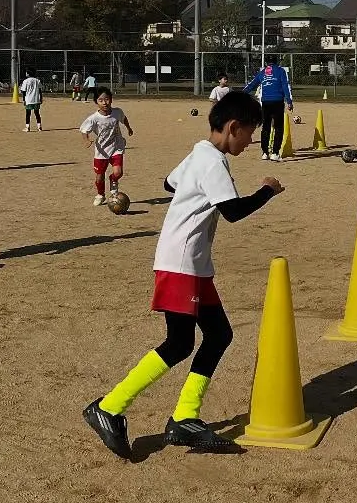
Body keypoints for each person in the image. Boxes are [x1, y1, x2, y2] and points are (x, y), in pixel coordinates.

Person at [83, 91, 283, 457]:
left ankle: (185, 418)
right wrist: (267, 191)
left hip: (193, 264)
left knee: (219, 335)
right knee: (179, 343)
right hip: (180, 263)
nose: (250, 140)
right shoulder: (213, 163)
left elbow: (169, 183)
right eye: (250, 132)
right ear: (233, 127)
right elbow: (233, 212)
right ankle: (109, 407)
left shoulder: (199, 153)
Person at [80, 88, 134, 206]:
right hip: (102, 150)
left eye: (107, 99)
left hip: (117, 147)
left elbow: (124, 119)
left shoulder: (117, 112)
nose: (104, 103)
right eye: (101, 100)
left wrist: (129, 128)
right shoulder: (93, 118)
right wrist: (86, 140)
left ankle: (113, 179)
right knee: (99, 177)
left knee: (118, 172)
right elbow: (84, 130)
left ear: (111, 100)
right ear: (96, 102)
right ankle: (100, 195)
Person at [243, 55, 294, 161]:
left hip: (266, 102)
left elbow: (252, 84)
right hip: (278, 101)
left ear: (266, 63)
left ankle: (265, 152)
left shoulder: (263, 72)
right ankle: (275, 153)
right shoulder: (281, 71)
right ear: (277, 62)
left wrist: (241, 94)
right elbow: (285, 85)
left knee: (266, 127)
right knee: (278, 127)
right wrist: (289, 101)